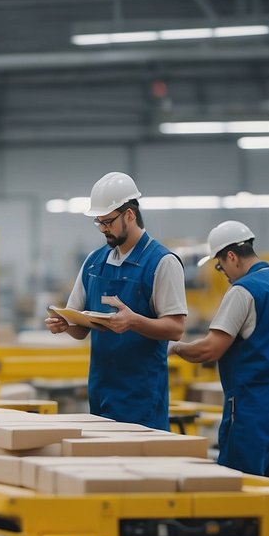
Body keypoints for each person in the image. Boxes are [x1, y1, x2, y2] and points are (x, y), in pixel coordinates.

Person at [45, 172, 187, 430]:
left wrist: (133, 322)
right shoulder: (93, 263)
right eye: (98, 222)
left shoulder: (162, 263)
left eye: (108, 222)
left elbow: (176, 329)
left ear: (130, 215)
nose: (103, 229)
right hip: (100, 394)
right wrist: (66, 324)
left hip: (142, 400)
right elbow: (80, 330)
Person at [168, 220, 269, 480]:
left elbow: (210, 349)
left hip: (253, 403)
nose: (225, 274)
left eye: (221, 267)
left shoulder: (243, 291)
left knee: (241, 483)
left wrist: (174, 347)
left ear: (231, 256)